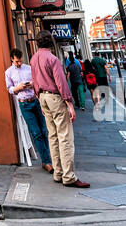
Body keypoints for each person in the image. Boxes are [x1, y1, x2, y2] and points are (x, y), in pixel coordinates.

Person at [30, 31, 87, 187]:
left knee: (53, 136)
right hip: (54, 97)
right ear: (51, 43)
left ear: (37, 42)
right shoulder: (53, 59)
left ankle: (58, 172)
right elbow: (61, 83)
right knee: (65, 136)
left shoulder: (34, 59)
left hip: (42, 97)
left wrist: (39, 98)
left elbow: (34, 81)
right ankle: (68, 176)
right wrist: (70, 104)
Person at [6, 48, 52, 172]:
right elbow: (9, 89)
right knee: (36, 133)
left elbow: (37, 81)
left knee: (44, 130)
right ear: (12, 59)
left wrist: (32, 84)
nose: (19, 63)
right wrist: (18, 88)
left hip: (35, 101)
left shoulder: (28, 68)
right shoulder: (9, 72)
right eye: (17, 62)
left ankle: (48, 158)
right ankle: (46, 161)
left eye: (20, 61)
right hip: (24, 104)